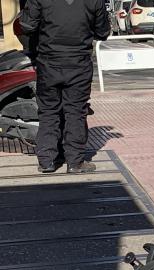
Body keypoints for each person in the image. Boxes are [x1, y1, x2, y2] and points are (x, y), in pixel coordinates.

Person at [20, 0, 110, 174]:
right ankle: (75, 162)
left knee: (48, 111)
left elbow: (26, 26)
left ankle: (47, 161)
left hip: (49, 63)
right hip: (78, 63)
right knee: (76, 111)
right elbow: (103, 32)